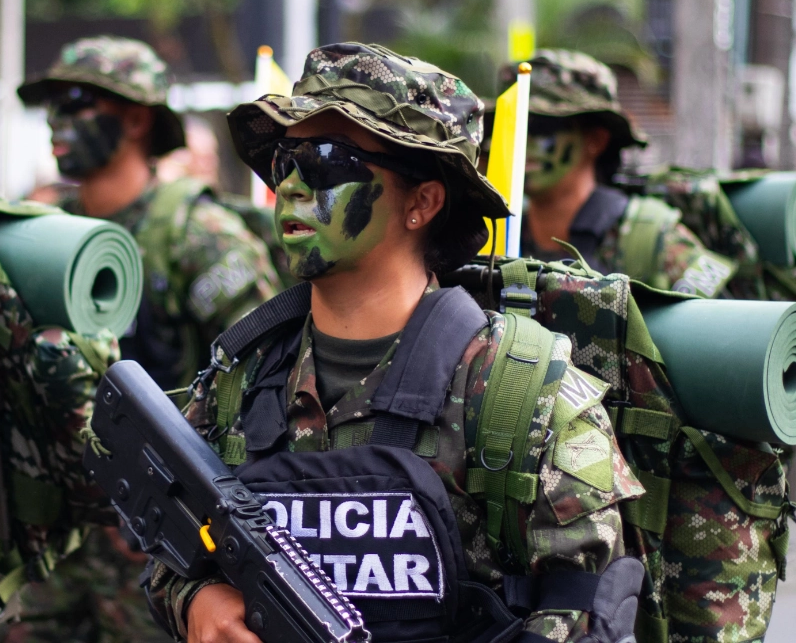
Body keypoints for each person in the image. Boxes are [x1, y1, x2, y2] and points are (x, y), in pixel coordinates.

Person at [147, 43, 645, 643]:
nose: (292, 186)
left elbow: (585, 613)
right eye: (284, 159)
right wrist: (197, 600)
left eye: (327, 159)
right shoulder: (240, 378)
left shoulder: (525, 397)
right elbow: (170, 547)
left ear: (422, 201)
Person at [10, 38, 280, 643]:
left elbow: (264, 383)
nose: (56, 122)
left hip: (160, 541)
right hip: (58, 531)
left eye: (76, 103)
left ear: (135, 119)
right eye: (51, 106)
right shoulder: (43, 229)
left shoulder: (197, 234)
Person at [502, 49, 734, 297]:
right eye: (508, 124)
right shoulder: (495, 237)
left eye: (541, 127)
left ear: (596, 140)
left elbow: (718, 318)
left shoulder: (649, 240)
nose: (519, 139)